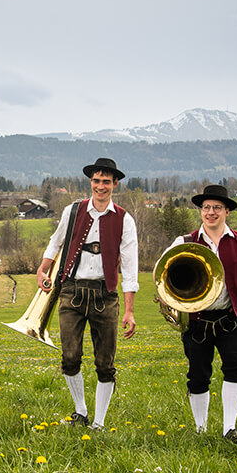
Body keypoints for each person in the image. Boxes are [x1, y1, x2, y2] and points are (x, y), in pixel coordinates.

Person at [36, 158, 138, 430]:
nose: (100, 186)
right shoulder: (73, 210)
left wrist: (129, 310)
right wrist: (43, 269)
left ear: (115, 184)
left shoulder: (125, 219)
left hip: (106, 294)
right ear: (90, 182)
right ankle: (80, 411)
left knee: (105, 362)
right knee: (69, 357)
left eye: (106, 181)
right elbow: (55, 241)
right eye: (96, 181)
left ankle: (99, 422)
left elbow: (130, 268)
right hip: (72, 291)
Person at [165, 184, 237, 442]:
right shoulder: (184, 242)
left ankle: (229, 428)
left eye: (217, 208)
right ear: (201, 211)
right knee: (198, 375)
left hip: (230, 319)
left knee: (235, 369)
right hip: (197, 321)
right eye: (206, 207)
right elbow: (163, 275)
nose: (211, 212)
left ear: (227, 211)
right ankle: (200, 429)